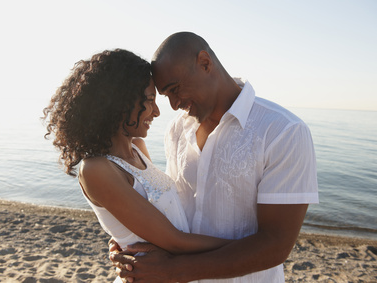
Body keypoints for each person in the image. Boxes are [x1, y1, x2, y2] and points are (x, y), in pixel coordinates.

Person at [110, 32, 319, 282]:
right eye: (166, 95)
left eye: (175, 89)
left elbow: (276, 245)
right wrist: (132, 239)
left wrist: (173, 270)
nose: (174, 105)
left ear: (205, 63)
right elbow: (172, 205)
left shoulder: (282, 131)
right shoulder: (177, 129)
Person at [43, 49, 235, 283]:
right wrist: (249, 247)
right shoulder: (96, 169)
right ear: (119, 103)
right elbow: (174, 240)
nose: (156, 111)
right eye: (150, 100)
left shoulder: (139, 149)